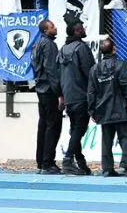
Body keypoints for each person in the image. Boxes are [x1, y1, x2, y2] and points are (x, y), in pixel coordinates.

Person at [87, 38, 127, 178]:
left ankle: (108, 168)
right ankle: (125, 166)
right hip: (122, 108)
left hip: (103, 109)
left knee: (107, 140)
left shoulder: (94, 69)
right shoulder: (122, 66)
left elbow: (91, 92)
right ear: (114, 49)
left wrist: (92, 110)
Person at [58, 20, 96, 176]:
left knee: (75, 130)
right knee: (79, 129)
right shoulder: (81, 48)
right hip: (81, 95)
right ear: (76, 31)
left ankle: (80, 162)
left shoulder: (62, 50)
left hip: (68, 95)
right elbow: (91, 72)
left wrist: (61, 95)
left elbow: (57, 73)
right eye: (81, 28)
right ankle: (68, 160)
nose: (84, 29)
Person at [31, 19, 63, 175]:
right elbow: (51, 69)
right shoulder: (49, 45)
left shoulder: (37, 44)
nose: (55, 28)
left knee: (43, 125)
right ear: (46, 30)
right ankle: (48, 162)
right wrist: (59, 93)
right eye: (52, 27)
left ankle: (41, 160)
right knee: (53, 126)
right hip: (49, 90)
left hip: (40, 89)